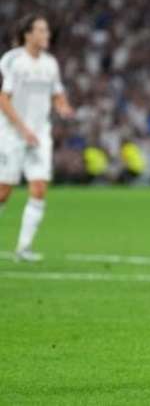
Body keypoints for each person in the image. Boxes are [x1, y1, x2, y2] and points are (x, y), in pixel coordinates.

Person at [0, 15, 74, 262]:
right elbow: (3, 99)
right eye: (41, 30)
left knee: (39, 187)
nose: (47, 35)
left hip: (40, 133)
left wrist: (63, 107)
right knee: (3, 191)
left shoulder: (50, 64)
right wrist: (22, 129)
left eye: (47, 30)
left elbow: (57, 93)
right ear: (27, 34)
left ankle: (23, 248)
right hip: (12, 133)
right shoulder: (13, 60)